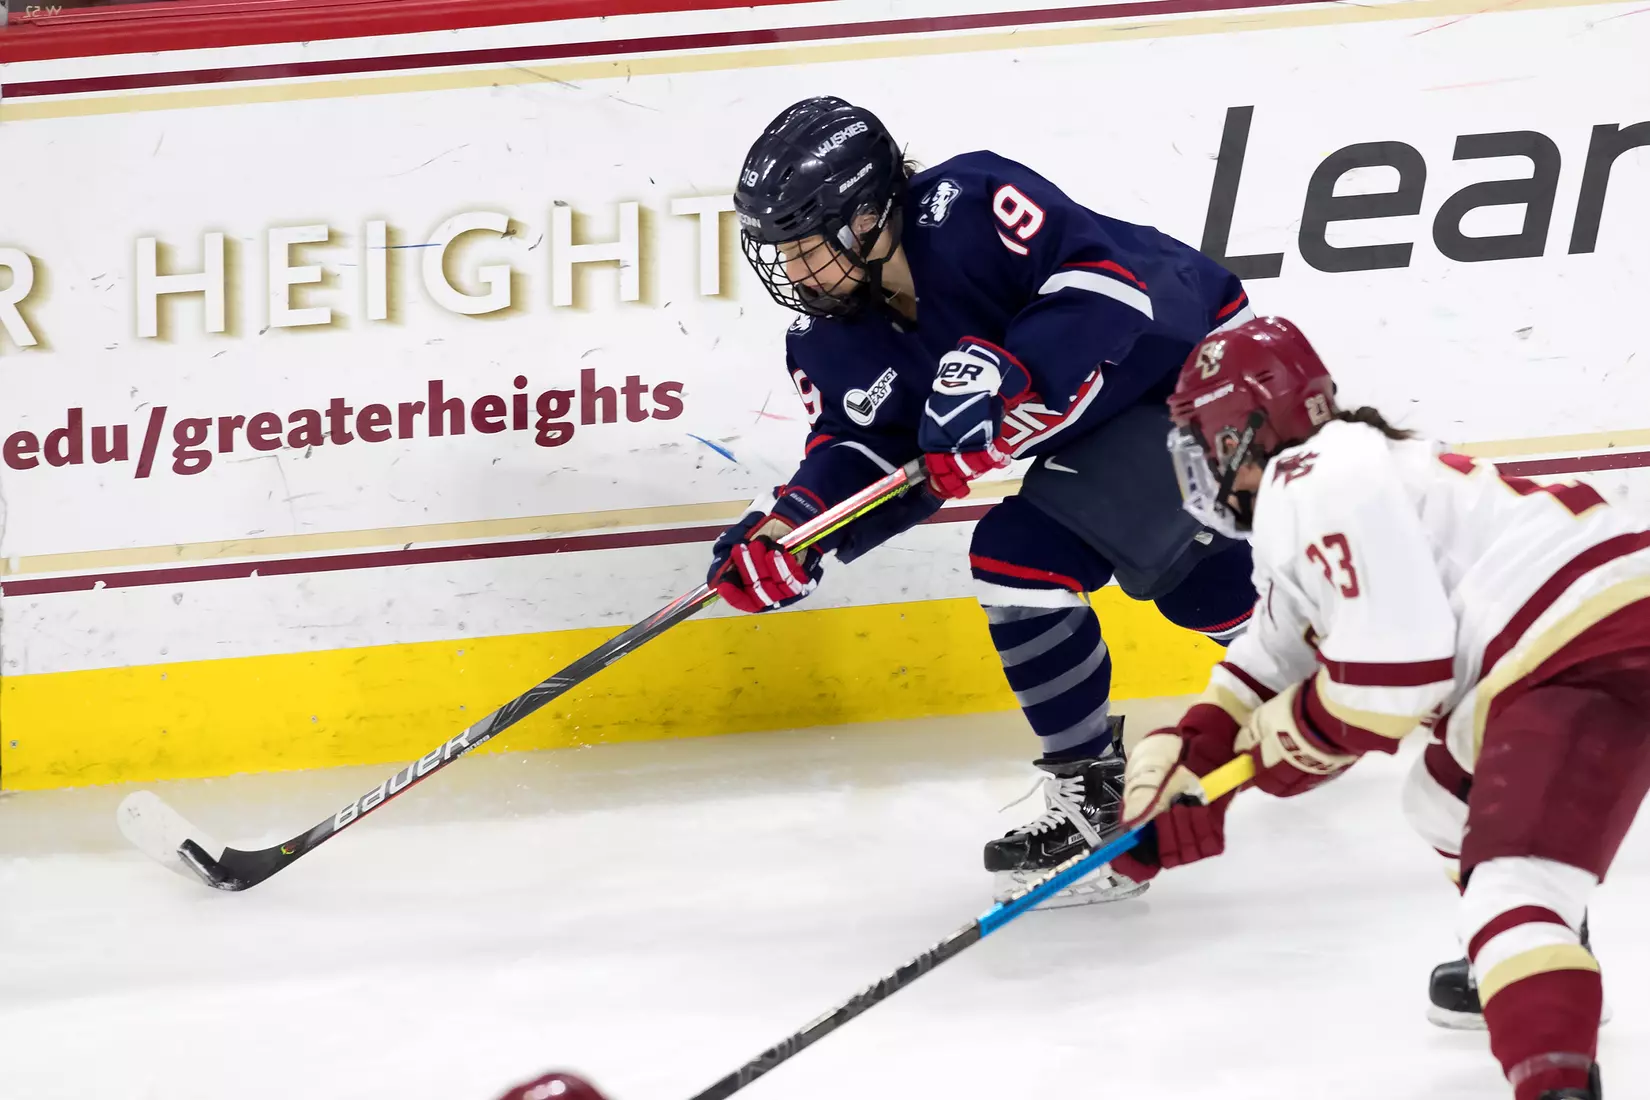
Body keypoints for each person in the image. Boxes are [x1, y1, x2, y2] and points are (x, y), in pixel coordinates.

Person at [710, 95, 1260, 904]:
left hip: (1197, 368)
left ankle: (1377, 663)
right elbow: (866, 452)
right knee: (1063, 567)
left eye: (806, 246)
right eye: (780, 253)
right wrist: (795, 530)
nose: (793, 272)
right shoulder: (824, 340)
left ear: (866, 217)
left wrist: (1008, 373)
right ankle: (1102, 797)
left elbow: (1106, 291)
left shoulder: (972, 203)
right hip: (1098, 432)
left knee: (1179, 585)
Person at [1115, 315, 1646, 1100]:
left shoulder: (1311, 480)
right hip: (1592, 627)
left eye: (1205, 443)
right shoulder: (1341, 472)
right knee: (1440, 799)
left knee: (1514, 889)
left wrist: (1294, 739)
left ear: (1240, 433)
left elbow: (1398, 675)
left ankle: (1542, 1011)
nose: (1203, 468)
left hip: (1580, 647)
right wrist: (1192, 751)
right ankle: (1527, 954)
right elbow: (1276, 652)